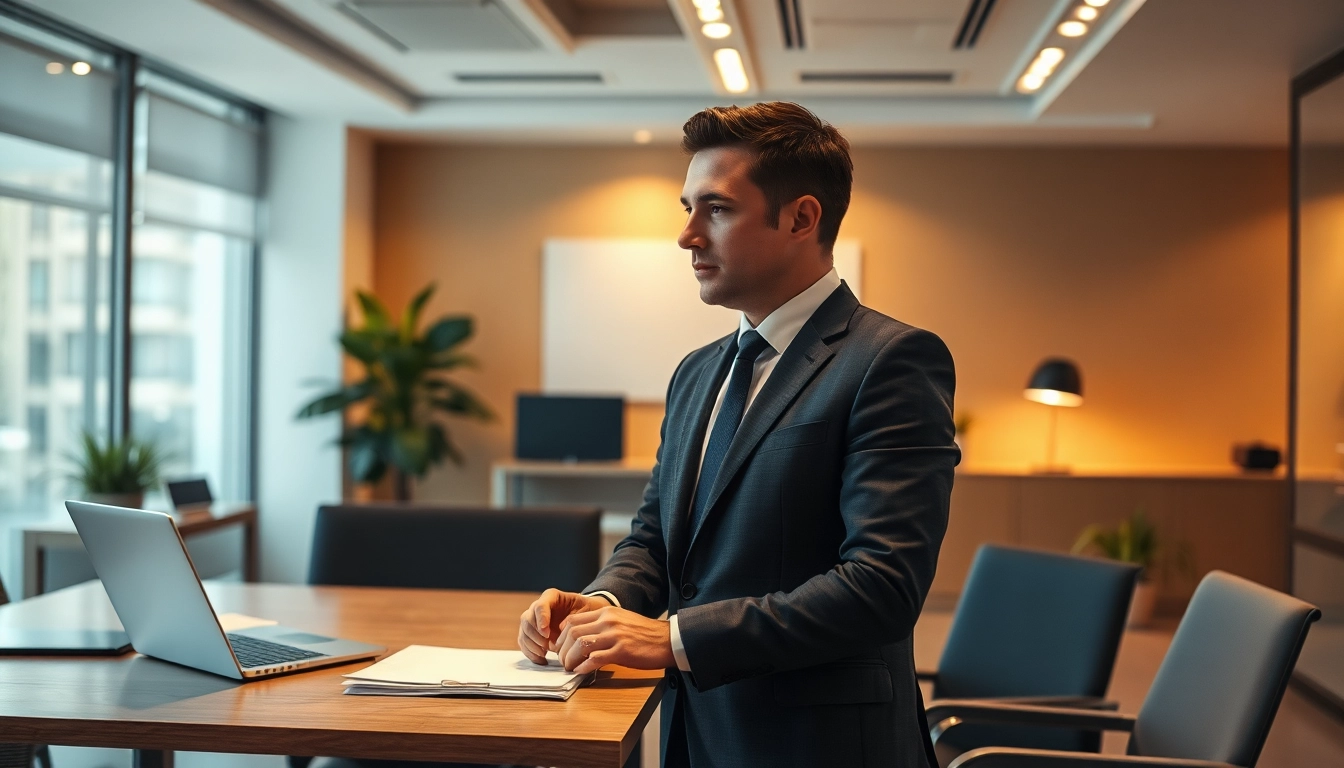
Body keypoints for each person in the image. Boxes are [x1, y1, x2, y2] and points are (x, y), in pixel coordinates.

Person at [518, 101, 958, 768]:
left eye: (716, 210)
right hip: (697, 733)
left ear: (801, 218)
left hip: (821, 747)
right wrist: (601, 604)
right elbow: (654, 539)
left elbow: (881, 587)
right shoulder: (695, 374)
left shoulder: (891, 360)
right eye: (687, 208)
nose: (687, 235)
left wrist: (672, 639)